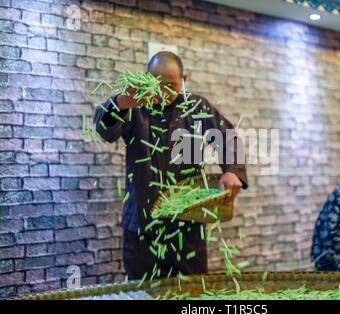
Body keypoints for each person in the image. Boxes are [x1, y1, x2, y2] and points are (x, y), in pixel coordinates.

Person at [94, 51, 248, 280]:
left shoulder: (196, 107)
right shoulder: (135, 108)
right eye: (157, 84)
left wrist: (232, 171)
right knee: (142, 294)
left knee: (191, 293)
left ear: (184, 79)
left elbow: (229, 138)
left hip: (187, 227)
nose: (163, 93)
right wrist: (122, 102)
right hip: (142, 227)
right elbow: (104, 130)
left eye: (170, 85)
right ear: (147, 79)